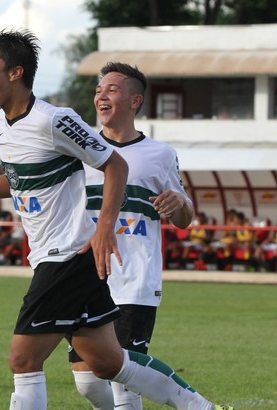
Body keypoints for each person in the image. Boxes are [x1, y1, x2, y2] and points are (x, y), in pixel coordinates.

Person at [0, 29, 232, 410]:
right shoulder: (1, 123)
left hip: (65, 256)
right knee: (107, 364)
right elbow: (19, 183)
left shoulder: (55, 119)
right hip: (66, 259)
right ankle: (199, 406)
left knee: (23, 359)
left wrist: (103, 230)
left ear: (15, 73)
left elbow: (114, 164)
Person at [66, 61, 195, 409]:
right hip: (86, 277)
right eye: (98, 90)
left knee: (124, 380)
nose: (101, 95)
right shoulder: (79, 151)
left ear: (135, 101)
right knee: (87, 383)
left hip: (135, 278)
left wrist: (179, 202)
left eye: (111, 89)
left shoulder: (160, 154)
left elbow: (185, 218)